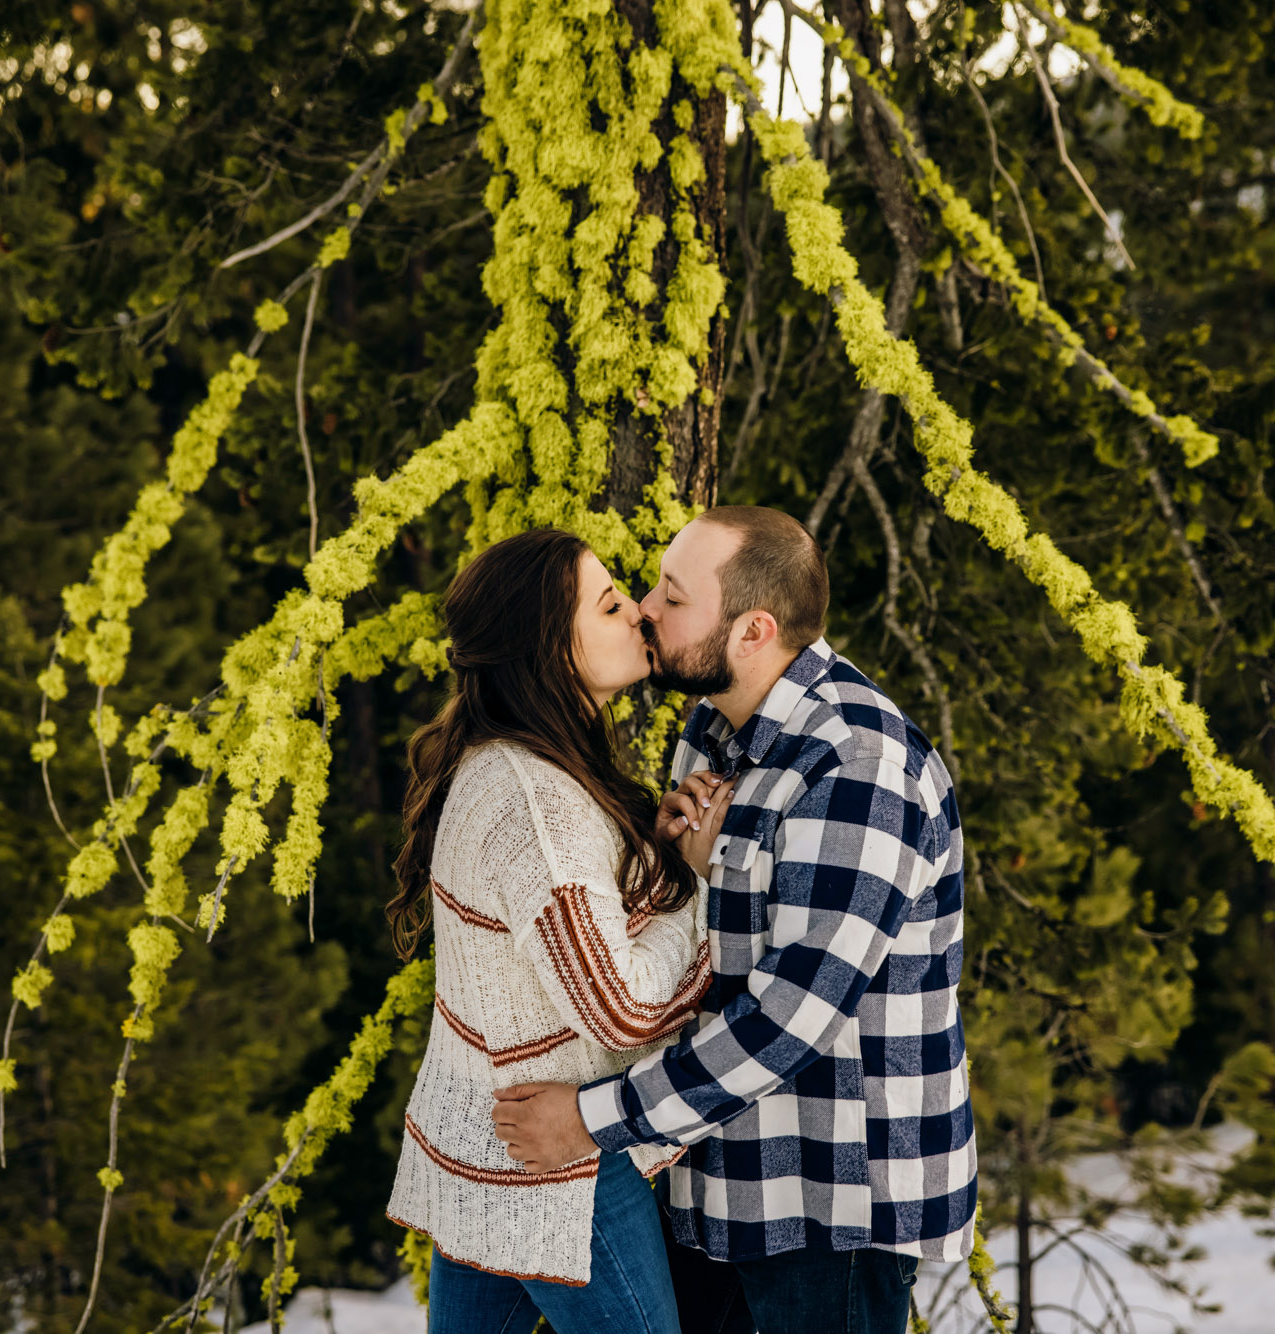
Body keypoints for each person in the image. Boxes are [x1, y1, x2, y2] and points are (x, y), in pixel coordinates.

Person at [491, 506, 978, 1334]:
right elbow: (705, 954)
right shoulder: (716, 727)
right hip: (710, 1180)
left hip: (829, 1204)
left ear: (753, 630)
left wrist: (588, 1121)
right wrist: (667, 863)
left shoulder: (857, 767)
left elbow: (791, 1019)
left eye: (673, 597)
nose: (645, 607)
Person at [384, 526, 734, 1334]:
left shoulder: (517, 762)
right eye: (610, 605)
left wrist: (659, 854)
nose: (640, 617)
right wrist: (707, 889)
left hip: (488, 1133)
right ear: (547, 646)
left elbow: (555, 933)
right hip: (557, 1158)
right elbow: (622, 1010)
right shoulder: (536, 802)